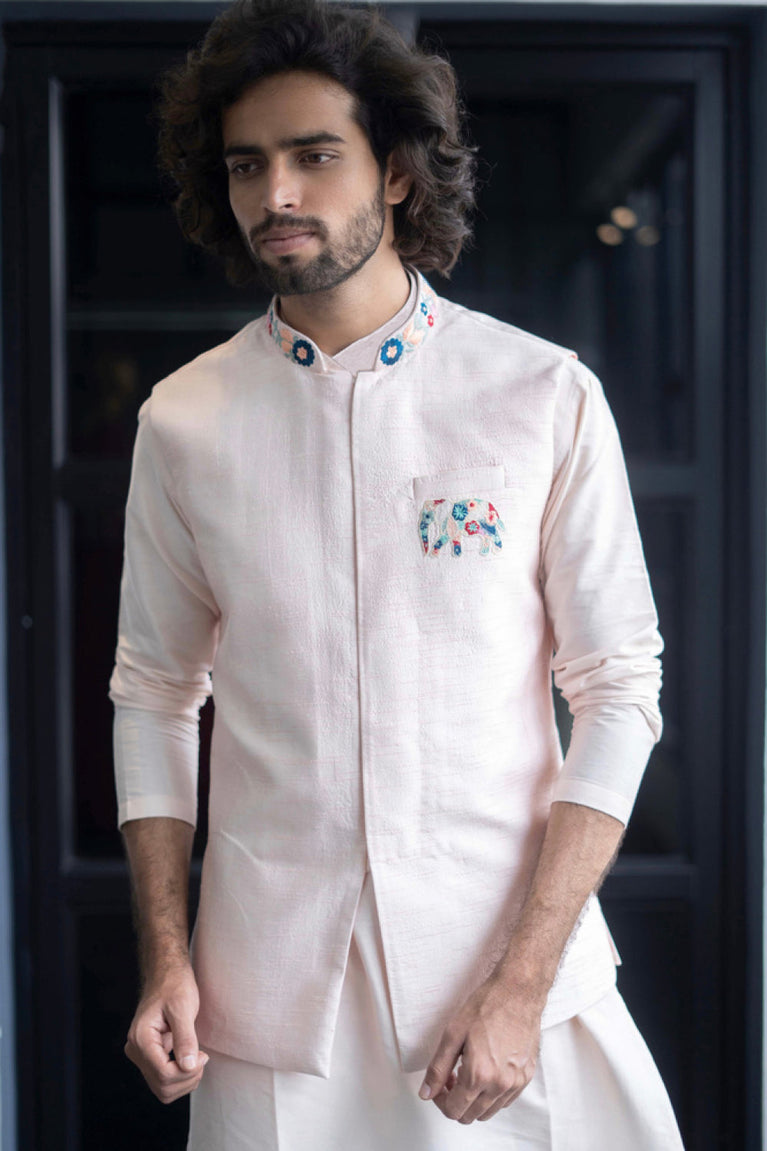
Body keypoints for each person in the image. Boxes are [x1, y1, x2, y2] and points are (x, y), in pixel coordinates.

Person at [109, 0, 685, 1146]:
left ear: (397, 172)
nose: (276, 192)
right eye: (246, 164)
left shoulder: (539, 394)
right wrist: (166, 956)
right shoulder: (183, 419)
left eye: (314, 154)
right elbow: (154, 692)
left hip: (512, 993)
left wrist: (520, 981)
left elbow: (619, 690)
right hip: (267, 999)